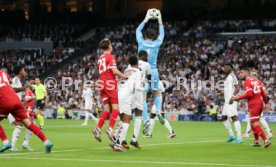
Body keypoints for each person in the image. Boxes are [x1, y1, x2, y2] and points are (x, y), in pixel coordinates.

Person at [0, 70, 53, 153]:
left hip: (5, 101)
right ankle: (46, 142)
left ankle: (6, 142)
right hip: (16, 101)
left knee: (20, 125)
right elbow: (10, 82)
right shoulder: (2, 72)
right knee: (29, 124)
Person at [92, 38, 128, 142]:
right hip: (110, 85)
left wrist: (116, 79)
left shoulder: (100, 58)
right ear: (109, 47)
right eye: (111, 45)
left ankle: (97, 128)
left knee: (107, 110)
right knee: (116, 108)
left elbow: (107, 72)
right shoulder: (110, 57)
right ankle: (110, 129)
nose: (112, 46)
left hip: (102, 84)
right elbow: (114, 70)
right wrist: (124, 75)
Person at [136, 9, 165, 130]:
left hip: (142, 71)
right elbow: (162, 34)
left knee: (142, 96)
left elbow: (137, 30)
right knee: (156, 92)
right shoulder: (157, 43)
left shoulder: (141, 42)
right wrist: (159, 21)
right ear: (154, 36)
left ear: (144, 35)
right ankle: (158, 110)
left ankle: (145, 119)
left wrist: (146, 19)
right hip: (153, 70)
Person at [230, 66, 271, 148]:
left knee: (255, 123)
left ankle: (266, 140)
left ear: (246, 72)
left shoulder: (247, 82)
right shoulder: (257, 81)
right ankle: (256, 141)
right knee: (253, 122)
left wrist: (238, 98)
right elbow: (263, 92)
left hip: (254, 104)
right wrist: (266, 103)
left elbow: (249, 94)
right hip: (259, 103)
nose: (240, 74)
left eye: (241, 72)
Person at [111, 56, 142, 152]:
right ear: (137, 63)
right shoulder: (138, 72)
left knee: (122, 119)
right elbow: (136, 87)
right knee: (127, 119)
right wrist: (143, 85)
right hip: (125, 96)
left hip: (118, 93)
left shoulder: (126, 70)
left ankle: (114, 140)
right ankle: (119, 143)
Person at [8, 66, 35, 151]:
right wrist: (26, 86)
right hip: (11, 106)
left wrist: (22, 102)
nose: (25, 72)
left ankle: (24, 143)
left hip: (15, 105)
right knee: (19, 124)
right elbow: (13, 90)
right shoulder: (15, 80)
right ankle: (13, 145)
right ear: (20, 72)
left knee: (31, 123)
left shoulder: (18, 81)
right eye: (23, 70)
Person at [243, 69, 273, 139]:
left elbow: (265, 93)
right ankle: (268, 132)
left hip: (257, 103)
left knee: (254, 118)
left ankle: (248, 133)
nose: (252, 76)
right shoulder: (259, 82)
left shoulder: (258, 83)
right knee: (256, 119)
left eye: (253, 75)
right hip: (258, 102)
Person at [221, 64, 243, 144]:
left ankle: (239, 137)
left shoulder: (232, 75)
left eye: (227, 67)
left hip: (232, 100)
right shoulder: (227, 77)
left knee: (234, 117)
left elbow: (237, 87)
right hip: (227, 101)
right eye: (224, 67)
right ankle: (232, 136)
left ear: (231, 68)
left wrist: (233, 97)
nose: (225, 68)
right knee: (223, 118)